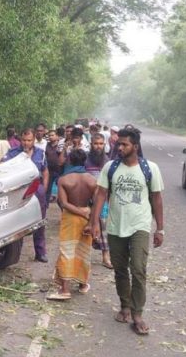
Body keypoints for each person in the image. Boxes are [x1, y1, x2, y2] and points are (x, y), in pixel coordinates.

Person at [88, 128, 164, 336]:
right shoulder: (110, 168)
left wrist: (160, 228)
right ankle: (125, 306)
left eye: (124, 144)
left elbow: (156, 198)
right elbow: (101, 194)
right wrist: (94, 222)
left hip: (140, 226)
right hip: (115, 226)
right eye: (118, 144)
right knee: (120, 269)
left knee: (138, 269)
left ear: (135, 147)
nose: (119, 147)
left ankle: (137, 314)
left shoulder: (150, 169)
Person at [47, 149, 96, 300]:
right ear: (84, 161)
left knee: (67, 251)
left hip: (70, 217)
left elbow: (64, 203)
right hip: (87, 217)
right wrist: (87, 216)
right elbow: (96, 204)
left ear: (70, 161)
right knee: (83, 250)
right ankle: (82, 284)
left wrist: (78, 212)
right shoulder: (92, 180)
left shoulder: (64, 180)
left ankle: (65, 289)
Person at [2, 128, 49, 263]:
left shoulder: (40, 153)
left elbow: (45, 171)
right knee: (18, 221)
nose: (26, 143)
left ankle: (40, 252)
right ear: (20, 139)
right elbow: (2, 168)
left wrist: (44, 187)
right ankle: (16, 252)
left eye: (29, 140)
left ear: (34, 140)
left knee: (39, 220)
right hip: (19, 191)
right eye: (24, 140)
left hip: (37, 190)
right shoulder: (12, 153)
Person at [85, 133, 113, 269]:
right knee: (85, 227)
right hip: (86, 199)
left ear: (104, 145)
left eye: (101, 144)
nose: (98, 146)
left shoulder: (108, 161)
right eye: (96, 144)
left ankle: (105, 257)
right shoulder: (85, 159)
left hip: (103, 200)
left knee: (104, 228)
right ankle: (84, 258)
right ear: (91, 144)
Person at [43, 129, 64, 204]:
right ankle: (45, 204)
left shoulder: (61, 145)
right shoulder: (47, 145)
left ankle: (62, 202)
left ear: (57, 136)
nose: (51, 137)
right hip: (49, 170)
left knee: (61, 187)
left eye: (52, 135)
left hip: (59, 170)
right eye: (49, 136)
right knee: (48, 188)